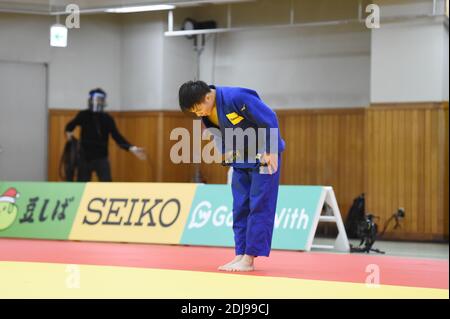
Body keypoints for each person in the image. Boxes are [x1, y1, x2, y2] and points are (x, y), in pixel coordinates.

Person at [178, 80, 285, 272]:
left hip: (264, 155)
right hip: (240, 158)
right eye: (193, 112)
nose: (198, 113)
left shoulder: (236, 97)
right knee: (240, 206)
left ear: (208, 97)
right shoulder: (207, 113)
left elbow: (270, 118)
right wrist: (226, 153)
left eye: (198, 108)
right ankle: (240, 253)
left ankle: (250, 258)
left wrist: (272, 150)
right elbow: (216, 134)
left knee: (259, 205)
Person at [65, 88, 146, 182]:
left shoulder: (107, 118)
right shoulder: (83, 115)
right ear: (90, 100)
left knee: (107, 186)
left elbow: (117, 137)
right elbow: (69, 126)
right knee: (81, 186)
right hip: (84, 158)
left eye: (100, 100)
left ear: (103, 101)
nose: (97, 102)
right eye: (95, 99)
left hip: (101, 158)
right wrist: (70, 139)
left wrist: (132, 148)